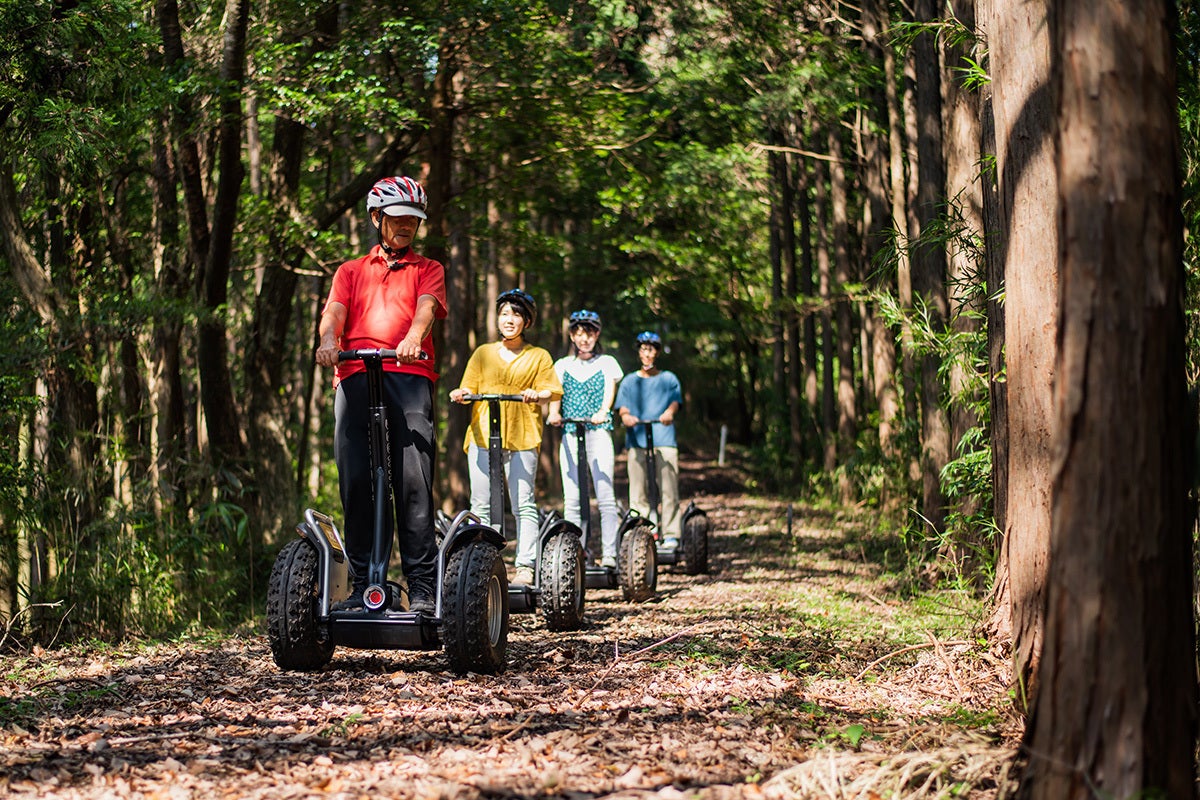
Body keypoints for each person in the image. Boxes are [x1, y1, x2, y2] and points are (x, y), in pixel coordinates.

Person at [315, 176, 445, 614]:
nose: (406, 225)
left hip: (408, 372)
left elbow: (427, 307)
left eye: (413, 219)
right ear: (377, 218)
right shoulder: (351, 271)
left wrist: (413, 338)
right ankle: (364, 584)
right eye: (398, 218)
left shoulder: (428, 268)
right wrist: (329, 341)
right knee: (356, 480)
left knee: (413, 480)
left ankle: (422, 586)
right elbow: (334, 312)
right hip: (355, 371)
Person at [449, 289, 562, 586]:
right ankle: (482, 563)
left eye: (516, 314)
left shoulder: (538, 356)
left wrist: (537, 394)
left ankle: (525, 566)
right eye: (504, 314)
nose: (509, 319)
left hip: (522, 435)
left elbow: (551, 391)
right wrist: (462, 393)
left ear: (527, 321)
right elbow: (468, 386)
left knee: (523, 503)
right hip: (483, 435)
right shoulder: (483, 353)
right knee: (480, 503)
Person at [546, 310, 624, 568]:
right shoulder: (563, 365)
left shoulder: (607, 362)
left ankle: (610, 554)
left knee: (605, 494)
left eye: (589, 333)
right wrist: (554, 413)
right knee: (572, 498)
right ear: (572, 335)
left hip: (597, 431)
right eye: (579, 333)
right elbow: (556, 394)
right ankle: (573, 555)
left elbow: (610, 390)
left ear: (597, 335)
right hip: (571, 432)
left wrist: (603, 411)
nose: (584, 339)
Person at [615, 330, 683, 549]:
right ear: (639, 352)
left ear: (657, 353)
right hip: (637, 440)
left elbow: (675, 402)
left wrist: (669, 413)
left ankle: (671, 533)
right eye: (644, 349)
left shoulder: (668, 378)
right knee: (637, 489)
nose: (647, 354)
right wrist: (627, 417)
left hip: (664, 438)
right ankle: (642, 531)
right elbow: (622, 408)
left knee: (669, 488)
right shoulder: (629, 381)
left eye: (651, 350)